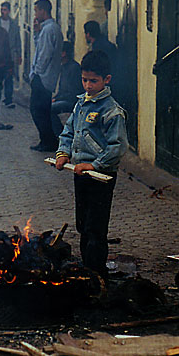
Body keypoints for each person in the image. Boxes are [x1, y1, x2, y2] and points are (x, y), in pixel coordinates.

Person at [56, 50, 128, 278]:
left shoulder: (111, 111)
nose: (88, 85)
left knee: (95, 227)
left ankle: (96, 273)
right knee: (82, 224)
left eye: (93, 81)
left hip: (101, 177)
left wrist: (95, 165)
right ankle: (86, 267)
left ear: (106, 80)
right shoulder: (80, 105)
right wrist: (62, 153)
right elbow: (68, 131)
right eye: (84, 80)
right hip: (81, 175)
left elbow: (117, 146)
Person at [29, 0, 63, 151]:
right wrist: (36, 33)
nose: (35, 14)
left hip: (43, 77)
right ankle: (46, 140)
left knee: (38, 110)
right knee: (41, 110)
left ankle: (48, 141)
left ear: (43, 10)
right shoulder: (47, 29)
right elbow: (40, 47)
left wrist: (37, 73)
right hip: (45, 76)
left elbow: (44, 54)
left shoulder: (50, 29)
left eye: (37, 10)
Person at [51, 41, 82, 135]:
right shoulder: (64, 67)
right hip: (65, 98)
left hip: (72, 100)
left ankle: (60, 135)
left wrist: (56, 99)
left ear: (64, 53)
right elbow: (62, 89)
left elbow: (72, 92)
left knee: (50, 109)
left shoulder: (73, 68)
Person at [0, 1, 22, 109]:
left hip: (11, 54)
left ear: (8, 11)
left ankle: (9, 98)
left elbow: (18, 40)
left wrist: (19, 54)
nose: (3, 12)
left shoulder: (13, 24)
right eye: (2, 10)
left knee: (9, 77)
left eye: (5, 10)